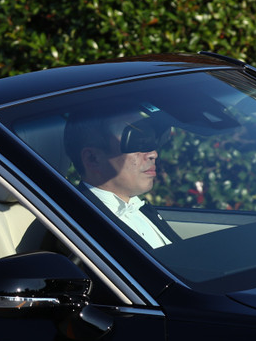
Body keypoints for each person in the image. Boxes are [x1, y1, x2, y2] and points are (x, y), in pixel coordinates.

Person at [63, 105, 181, 249]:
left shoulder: (140, 208)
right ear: (93, 159)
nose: (153, 153)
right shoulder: (76, 229)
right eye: (136, 141)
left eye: (150, 139)